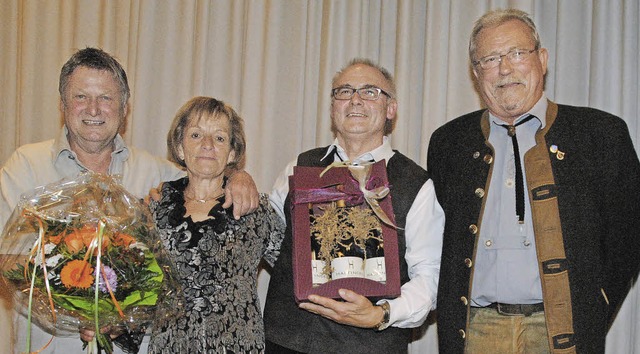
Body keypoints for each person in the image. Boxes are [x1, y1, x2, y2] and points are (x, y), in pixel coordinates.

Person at [0, 47, 259, 354]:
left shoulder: (155, 172)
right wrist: (79, 303)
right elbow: (7, 258)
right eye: (81, 96)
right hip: (49, 347)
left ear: (124, 108)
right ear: (62, 104)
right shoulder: (26, 165)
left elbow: (205, 170)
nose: (93, 110)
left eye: (106, 98)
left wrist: (238, 175)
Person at [427, 9, 640, 354]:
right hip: (477, 328)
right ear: (476, 72)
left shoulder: (601, 135)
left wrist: (594, 306)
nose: (505, 68)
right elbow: (435, 239)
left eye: (516, 53)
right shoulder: (449, 142)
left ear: (542, 59)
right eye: (490, 59)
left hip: (561, 331)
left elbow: (628, 235)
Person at [263, 59, 445, 353]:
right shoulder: (299, 166)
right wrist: (236, 179)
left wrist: (382, 314)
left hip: (368, 346)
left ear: (390, 109)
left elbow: (430, 276)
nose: (356, 100)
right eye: (344, 91)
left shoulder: (416, 184)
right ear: (333, 107)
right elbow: (269, 243)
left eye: (370, 91)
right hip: (286, 341)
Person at [143, 96, 285, 353]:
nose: (207, 145)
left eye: (219, 138)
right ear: (179, 147)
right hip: (169, 347)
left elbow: (293, 273)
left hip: (237, 346)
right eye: (196, 135)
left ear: (232, 152)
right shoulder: (154, 207)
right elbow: (137, 285)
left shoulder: (255, 209)